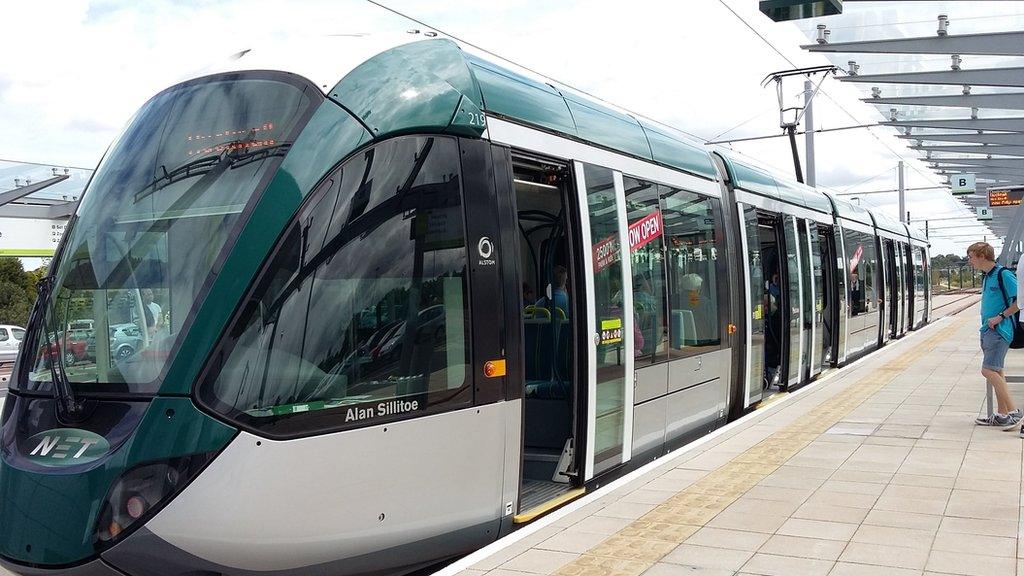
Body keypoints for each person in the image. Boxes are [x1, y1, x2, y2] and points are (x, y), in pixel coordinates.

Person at [967, 242, 1021, 430]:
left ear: (982, 256)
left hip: (1000, 330)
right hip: (988, 330)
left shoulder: (1003, 274)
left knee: (987, 370)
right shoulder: (988, 277)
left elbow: (1020, 301)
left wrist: (999, 318)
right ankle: (1002, 415)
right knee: (997, 371)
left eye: (971, 256)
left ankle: (1014, 412)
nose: (969, 260)